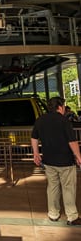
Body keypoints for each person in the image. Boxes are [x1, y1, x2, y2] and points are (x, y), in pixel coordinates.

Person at [31, 96, 81, 225]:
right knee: (68, 188)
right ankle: (72, 216)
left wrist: (36, 153)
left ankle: (53, 214)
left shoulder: (40, 120)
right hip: (65, 161)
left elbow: (34, 137)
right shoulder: (64, 121)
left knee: (52, 187)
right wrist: (78, 156)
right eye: (63, 106)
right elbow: (72, 141)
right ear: (60, 107)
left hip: (48, 161)